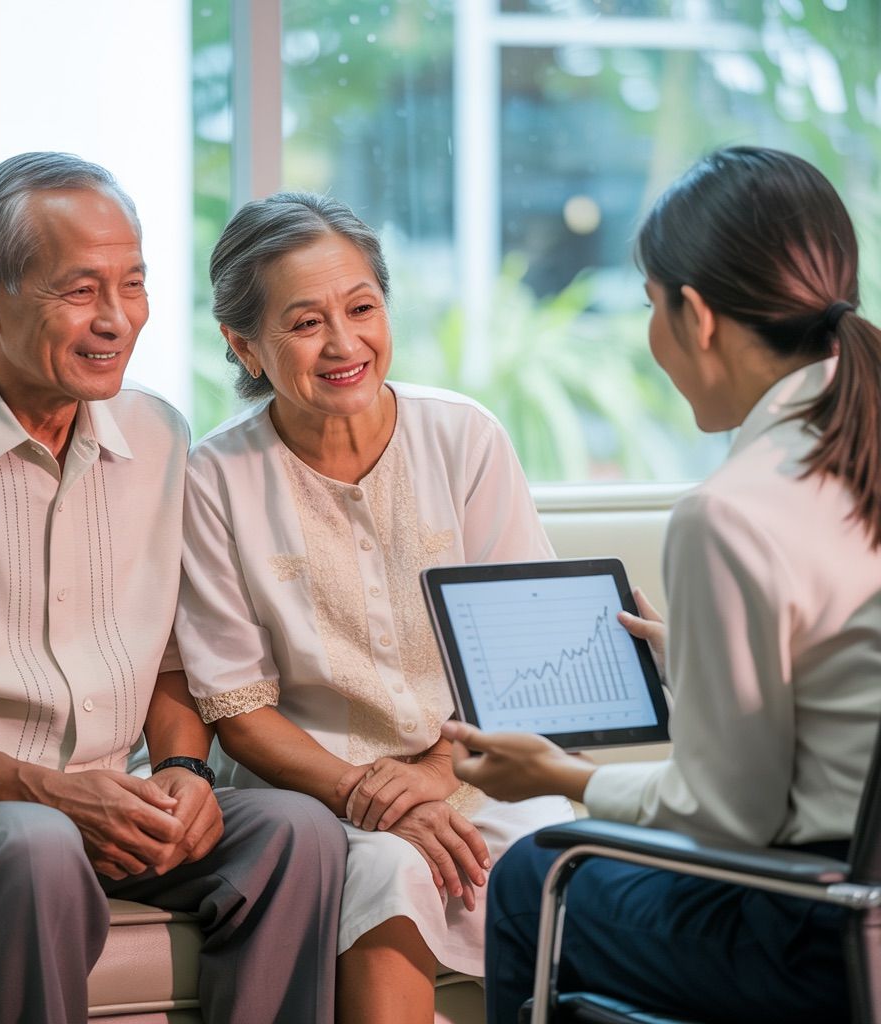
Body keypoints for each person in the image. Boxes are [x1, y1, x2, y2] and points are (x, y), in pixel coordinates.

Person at [0, 152, 347, 1024]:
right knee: (36, 845)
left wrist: (187, 771)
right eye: (79, 291)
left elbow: (168, 662)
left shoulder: (158, 435)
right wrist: (44, 791)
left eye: (134, 284)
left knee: (296, 834)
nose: (116, 320)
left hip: (104, 800)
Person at [442, 146, 881, 1024]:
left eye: (650, 306)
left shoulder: (735, 513)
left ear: (697, 315)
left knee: (538, 876)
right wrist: (696, 656)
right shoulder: (854, 444)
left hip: (817, 935)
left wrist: (562, 774)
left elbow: (724, 819)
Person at [174, 191, 574, 1024]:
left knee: (552, 851)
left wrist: (434, 776)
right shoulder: (212, 481)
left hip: (471, 770)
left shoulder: (464, 437)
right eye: (306, 322)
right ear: (243, 344)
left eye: (362, 307)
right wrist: (368, 796)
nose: (345, 343)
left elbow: (524, 653)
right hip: (321, 791)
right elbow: (240, 711)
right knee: (388, 866)